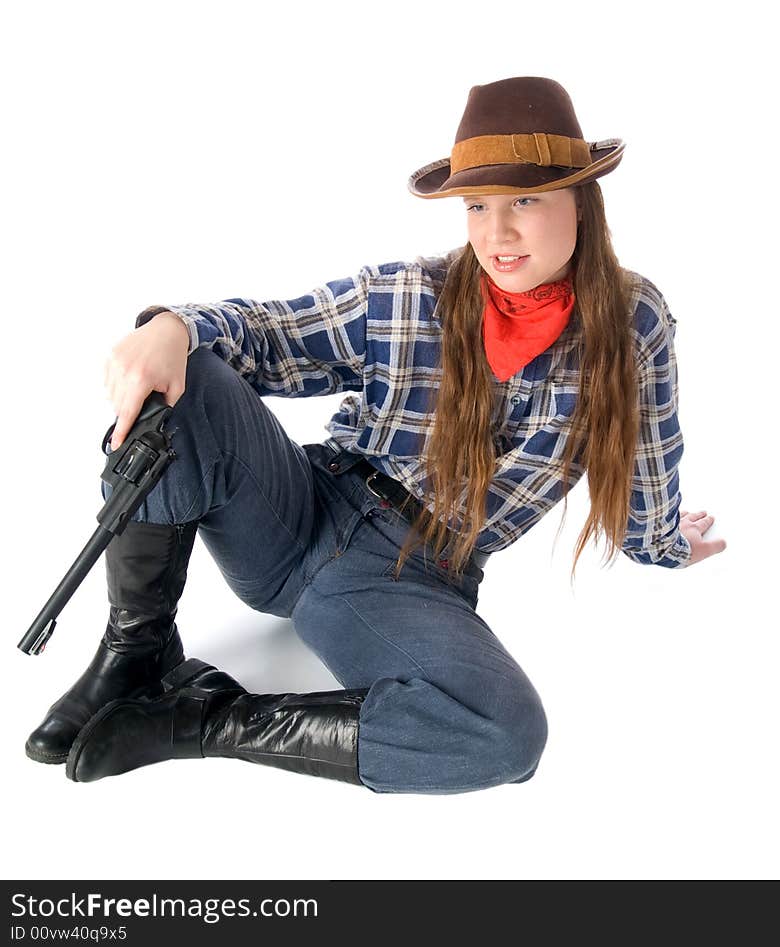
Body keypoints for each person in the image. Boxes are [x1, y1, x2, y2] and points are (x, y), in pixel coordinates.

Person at [25, 76, 726, 794]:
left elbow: (649, 452)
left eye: (525, 201)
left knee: (504, 734)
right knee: (186, 373)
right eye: (478, 205)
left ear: (581, 199)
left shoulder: (632, 325)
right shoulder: (407, 292)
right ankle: (135, 654)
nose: (497, 232)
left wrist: (665, 544)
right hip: (298, 513)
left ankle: (203, 718)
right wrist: (172, 325)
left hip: (413, 576)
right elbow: (267, 334)